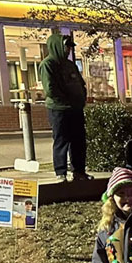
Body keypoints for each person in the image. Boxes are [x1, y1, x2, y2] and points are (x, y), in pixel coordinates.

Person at [39, 33, 89, 181]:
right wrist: (66, 101)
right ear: (57, 46)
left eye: (69, 47)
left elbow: (81, 84)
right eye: (66, 46)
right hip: (59, 110)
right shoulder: (48, 64)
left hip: (76, 109)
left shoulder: (70, 65)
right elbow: (50, 89)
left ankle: (79, 171)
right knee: (61, 140)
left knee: (78, 140)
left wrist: (81, 98)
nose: (68, 50)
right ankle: (61, 172)